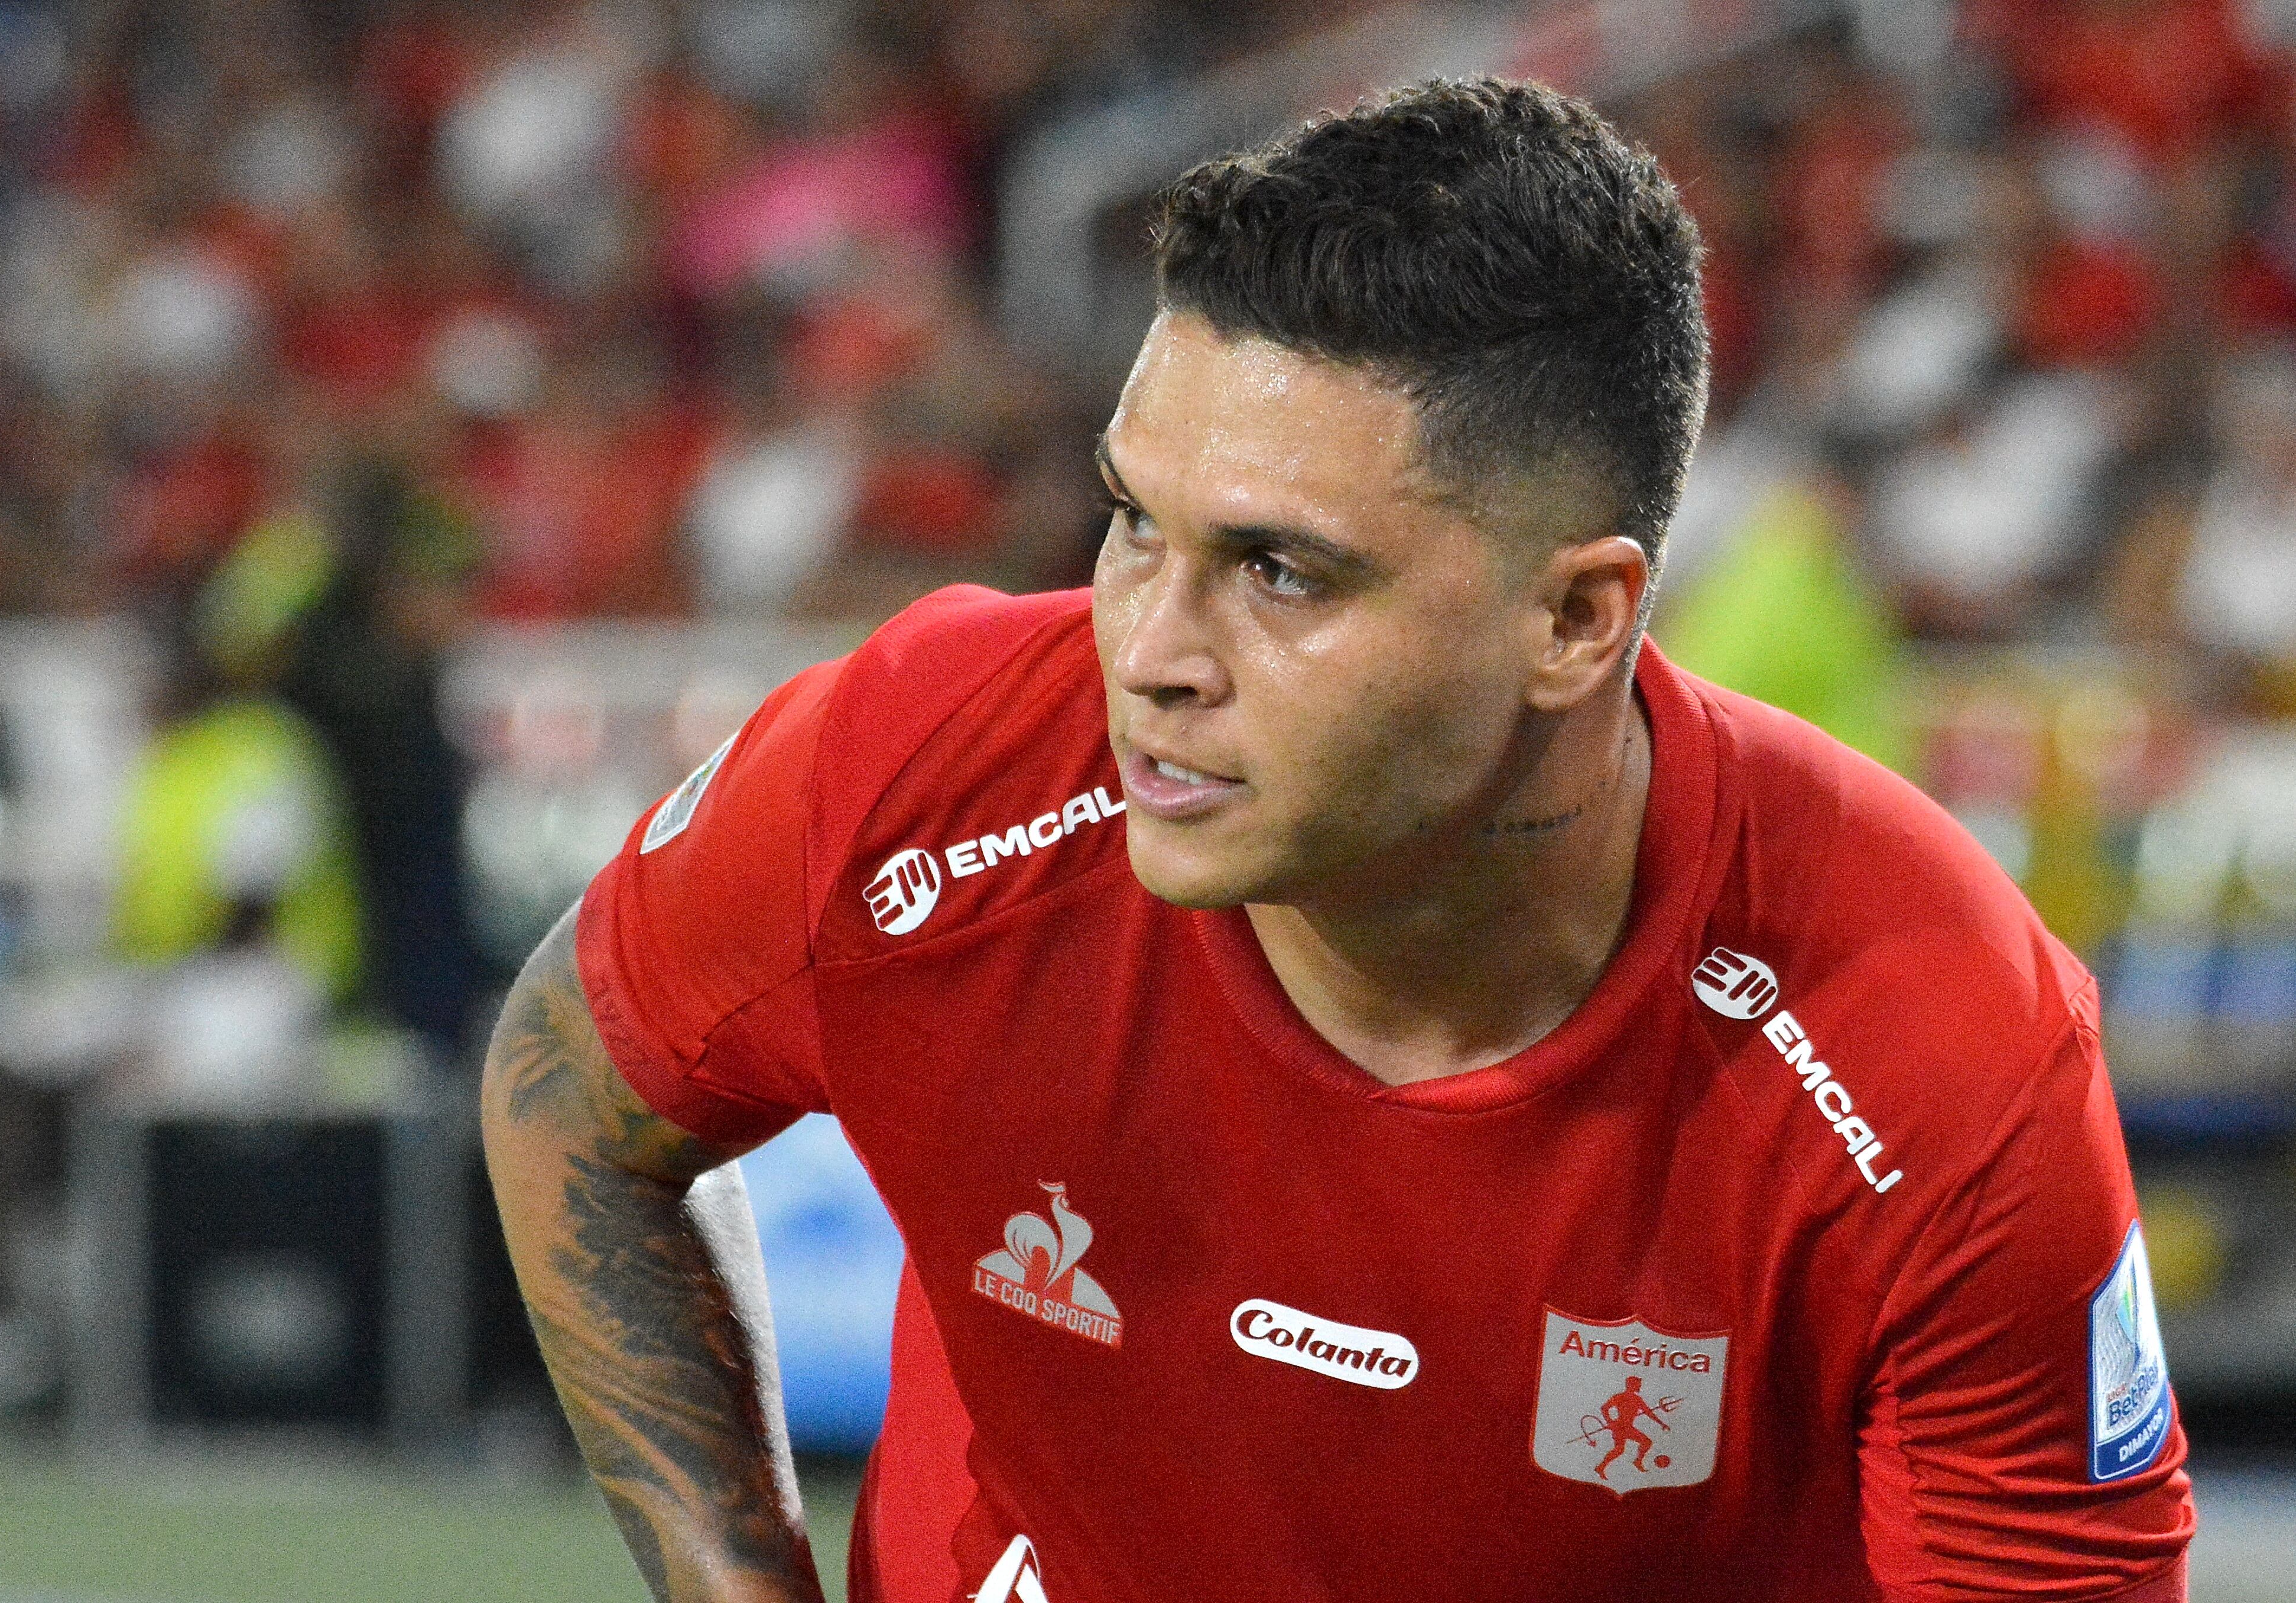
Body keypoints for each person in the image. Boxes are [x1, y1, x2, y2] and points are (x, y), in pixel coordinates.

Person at [481, 79, 2194, 1602]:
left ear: (1576, 621)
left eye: (1281, 571)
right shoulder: (929, 770)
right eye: (1133, 524)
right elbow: (572, 1090)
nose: (1149, 653)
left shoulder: (1930, 1052)